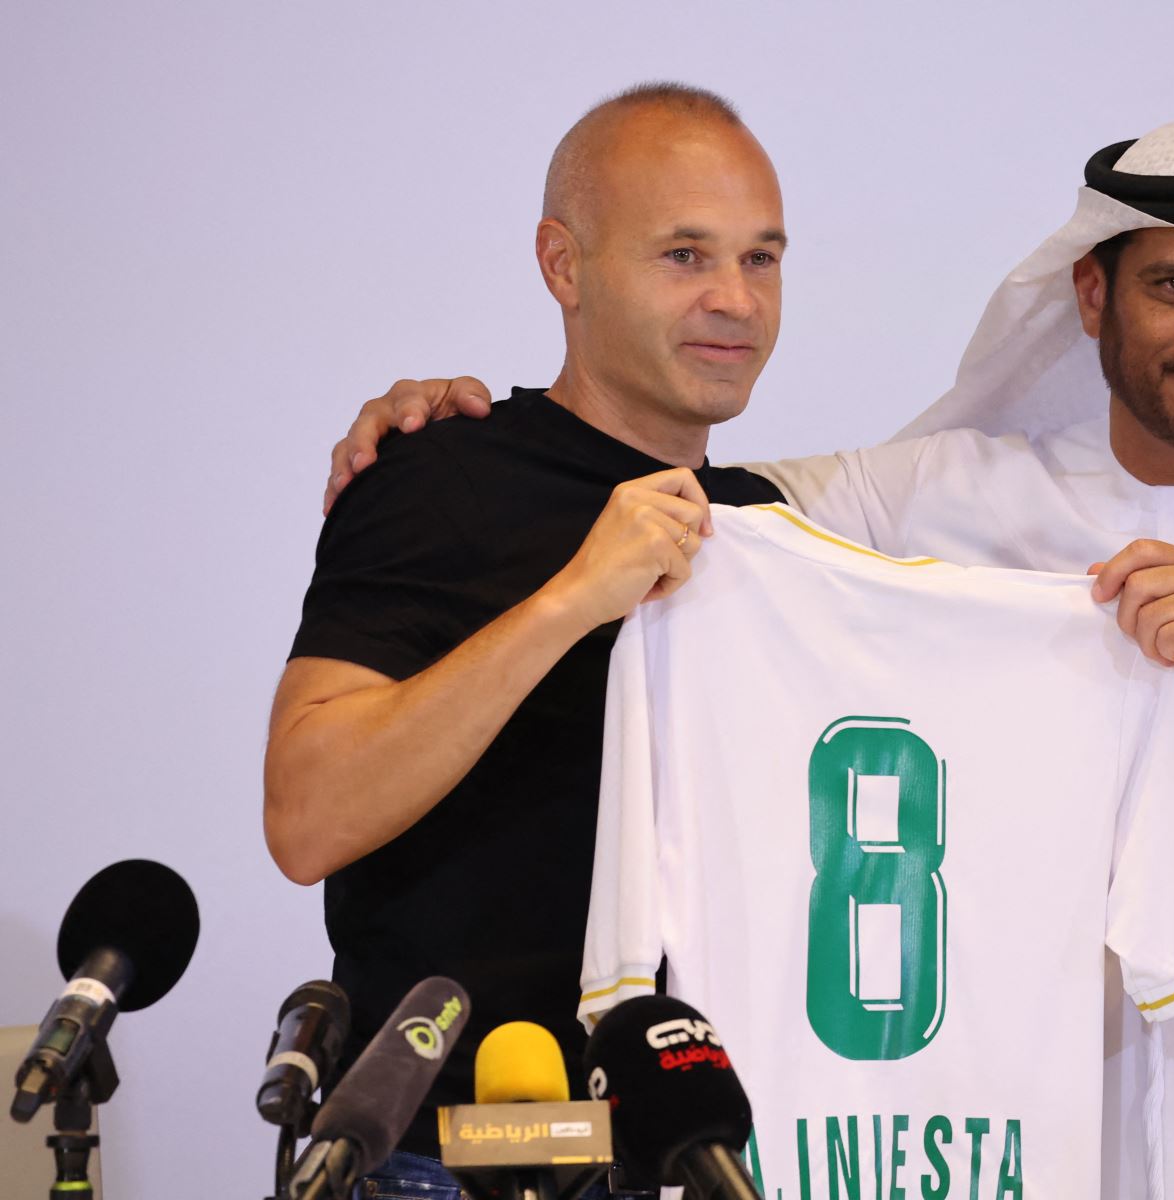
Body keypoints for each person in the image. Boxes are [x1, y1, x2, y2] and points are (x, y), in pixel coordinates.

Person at [325, 117, 1174, 1198]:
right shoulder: (947, 497)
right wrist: (454, 439)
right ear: (1092, 295)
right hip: (998, 1159)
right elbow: (646, 491)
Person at [262, 83, 788, 1196]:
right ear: (564, 265)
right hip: (454, 1154)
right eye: (685, 256)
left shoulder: (769, 523)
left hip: (703, 1147)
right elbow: (307, 815)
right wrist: (572, 598)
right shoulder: (436, 471)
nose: (735, 301)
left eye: (761, 259)